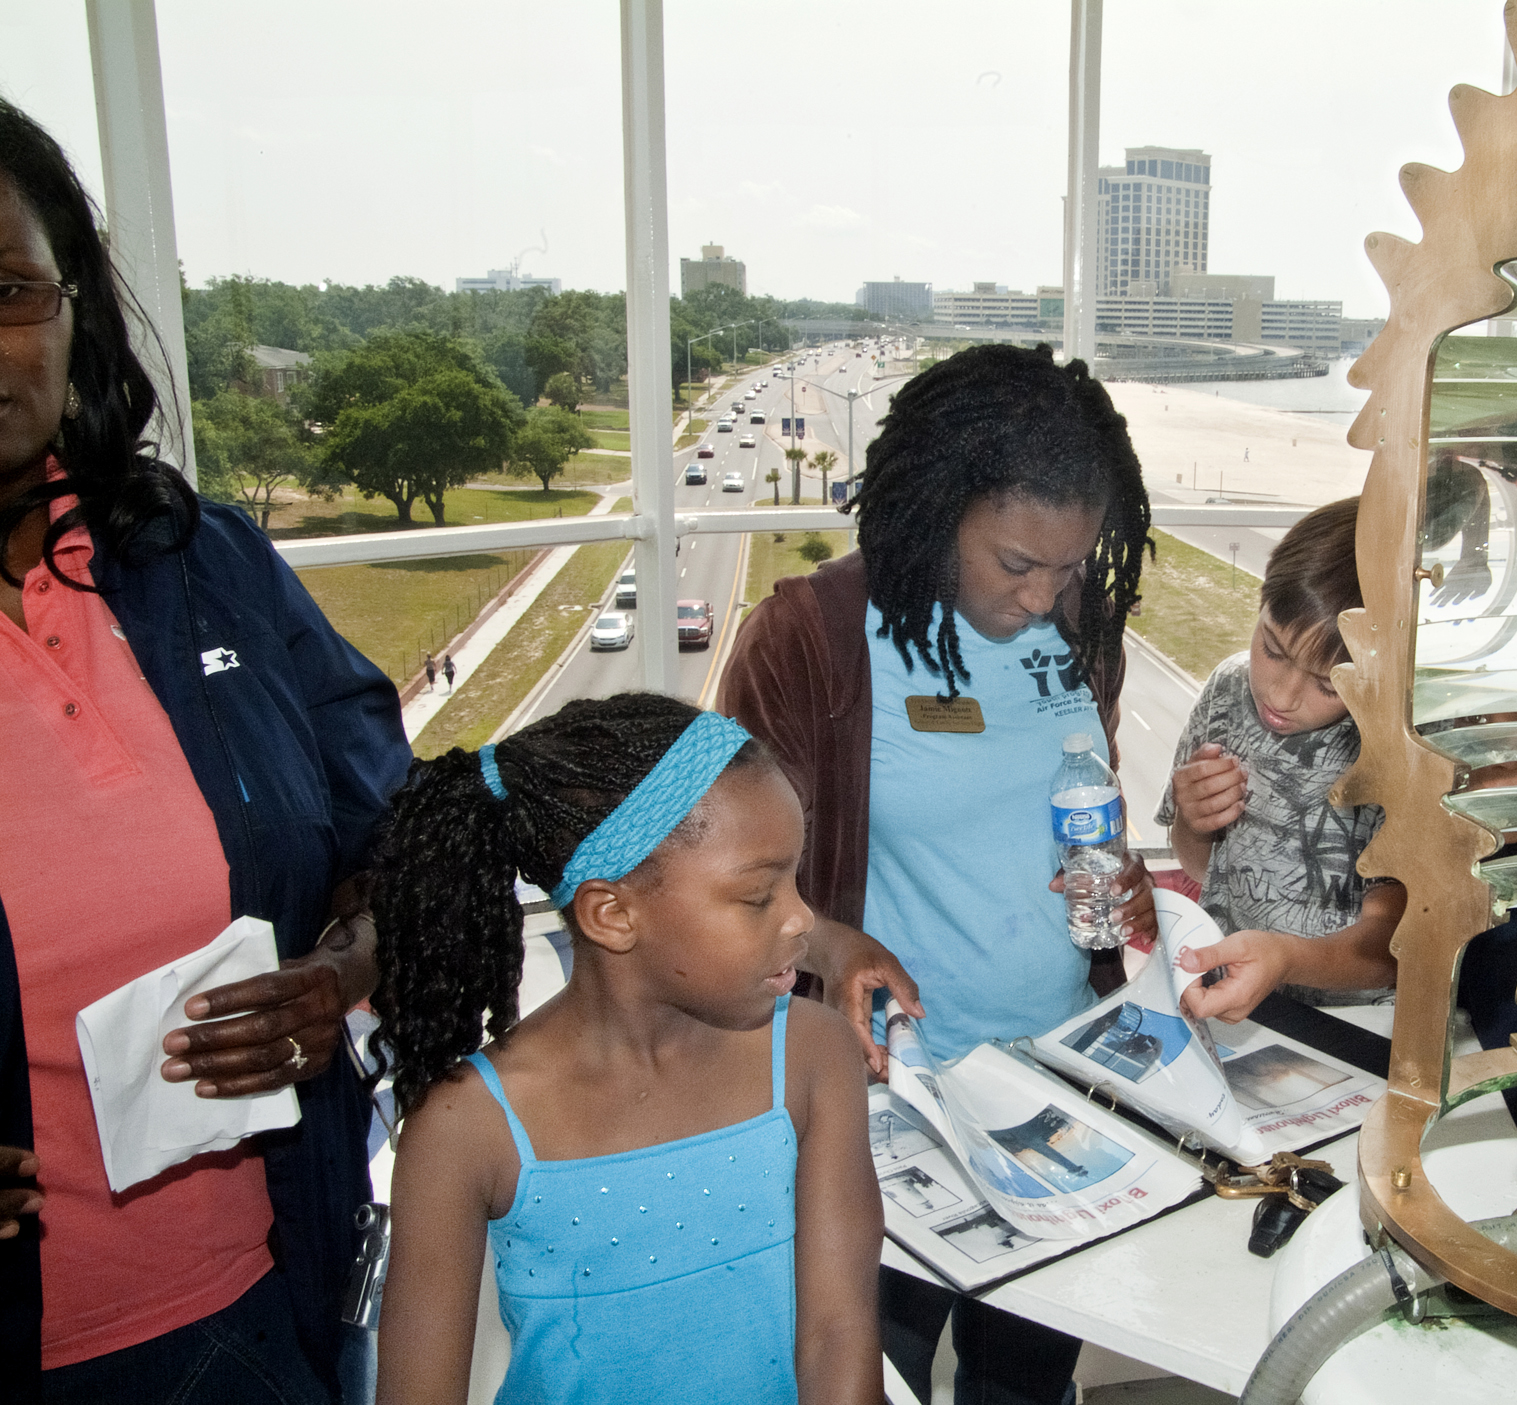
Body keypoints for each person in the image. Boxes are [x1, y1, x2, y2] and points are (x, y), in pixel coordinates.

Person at [0, 98, 411, 1398]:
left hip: (272, 1289)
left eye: (10, 288)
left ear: (73, 318)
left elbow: (400, 827)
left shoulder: (206, 561)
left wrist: (344, 965)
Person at [719, 342, 1154, 1405]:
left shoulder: (1082, 633)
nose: (1049, 598)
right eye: (1016, 564)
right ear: (935, 507)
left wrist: (1122, 881)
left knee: (1023, 1379)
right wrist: (831, 941)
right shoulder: (810, 638)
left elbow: (1068, 808)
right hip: (883, 1102)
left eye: (1071, 565)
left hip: (1057, 1083)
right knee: (876, 1369)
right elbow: (726, 885)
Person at [368, 696, 879, 1405]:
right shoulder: (466, 1125)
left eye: (795, 876)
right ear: (612, 914)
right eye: (759, 895)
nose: (801, 917)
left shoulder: (813, 1053)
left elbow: (837, 1333)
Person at [1161, 497, 1406, 1021]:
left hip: (1354, 1021)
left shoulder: (1395, 746)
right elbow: (1200, 865)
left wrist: (1287, 960)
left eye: (1327, 684)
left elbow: (1392, 948)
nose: (1283, 696)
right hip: (1232, 994)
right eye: (1272, 649)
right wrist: (1194, 822)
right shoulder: (1228, 689)